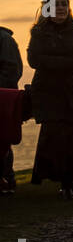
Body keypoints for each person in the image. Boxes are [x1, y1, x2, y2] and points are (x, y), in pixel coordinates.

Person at [27, 0, 73, 199]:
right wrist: (68, 63)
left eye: (64, 5)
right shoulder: (39, 32)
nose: (61, 9)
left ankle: (71, 182)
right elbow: (35, 60)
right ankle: (62, 181)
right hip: (49, 93)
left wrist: (57, 63)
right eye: (56, 5)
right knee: (55, 138)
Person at [1, 24, 23, 194]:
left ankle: (7, 179)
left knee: (3, 142)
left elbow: (12, 71)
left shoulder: (4, 39)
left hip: (4, 100)